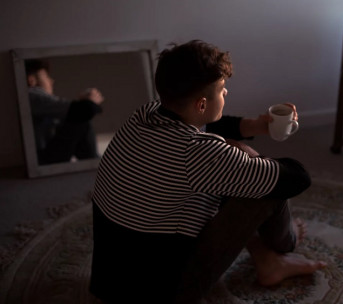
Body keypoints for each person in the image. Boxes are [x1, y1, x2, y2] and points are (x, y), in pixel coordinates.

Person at [89, 40, 326, 303]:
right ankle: (284, 245)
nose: (226, 94)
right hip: (162, 293)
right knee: (264, 187)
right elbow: (297, 178)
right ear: (202, 104)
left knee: (231, 176)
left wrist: (255, 126)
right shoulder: (197, 154)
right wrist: (253, 158)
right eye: (222, 90)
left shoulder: (144, 115)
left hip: (111, 281)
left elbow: (204, 123)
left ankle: (266, 260)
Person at [25, 59, 104, 164]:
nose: (51, 81)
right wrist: (90, 101)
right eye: (47, 77)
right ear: (32, 81)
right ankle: (98, 164)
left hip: (42, 157)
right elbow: (84, 110)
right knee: (81, 119)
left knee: (78, 117)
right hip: (41, 159)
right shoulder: (32, 95)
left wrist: (85, 104)